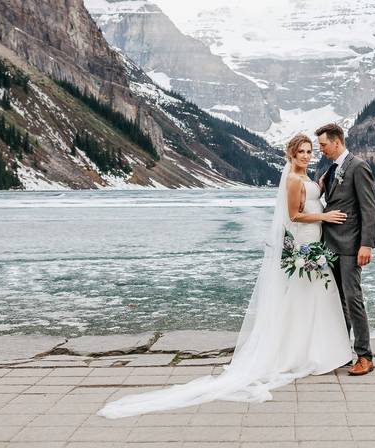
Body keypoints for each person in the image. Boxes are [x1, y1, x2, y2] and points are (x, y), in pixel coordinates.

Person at [96, 134, 352, 418]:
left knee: (312, 300)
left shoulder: (307, 177)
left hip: (313, 245)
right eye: (301, 152)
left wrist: (322, 186)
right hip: (304, 243)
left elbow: (312, 198)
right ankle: (298, 354)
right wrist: (325, 218)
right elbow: (293, 216)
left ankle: (312, 350)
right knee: (301, 300)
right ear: (291, 155)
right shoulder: (292, 179)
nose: (306, 155)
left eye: (309, 151)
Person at [316, 122, 375, 376]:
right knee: (338, 301)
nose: (321, 150)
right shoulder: (331, 170)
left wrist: (366, 244)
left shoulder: (358, 166)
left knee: (353, 300)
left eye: (323, 145)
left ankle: (365, 355)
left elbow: (368, 208)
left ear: (337, 142)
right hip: (330, 245)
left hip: (352, 246)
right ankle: (341, 352)